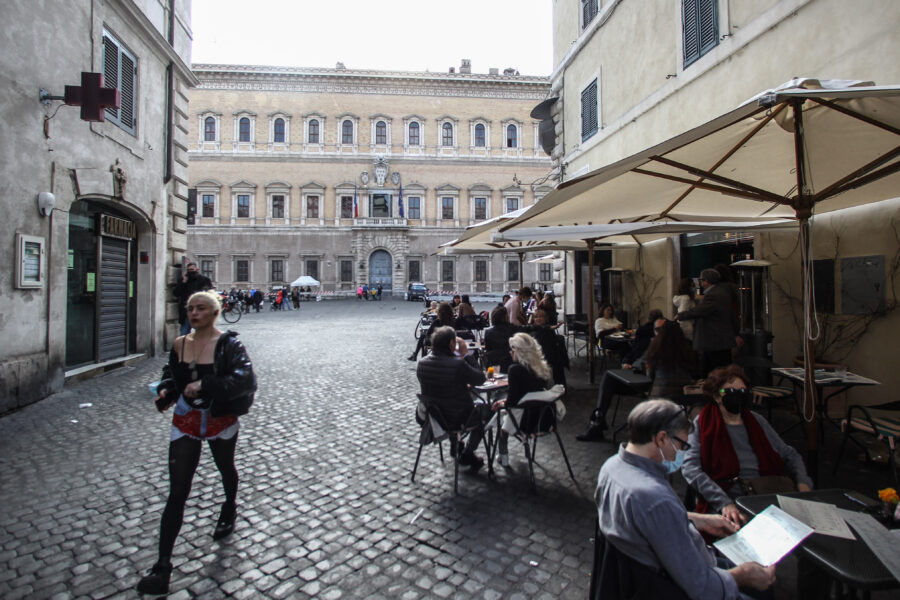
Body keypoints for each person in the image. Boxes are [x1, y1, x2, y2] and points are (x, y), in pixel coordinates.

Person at [137, 291, 257, 595]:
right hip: (187, 419)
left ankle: (229, 506)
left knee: (225, 468)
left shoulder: (229, 344)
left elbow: (246, 379)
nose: (193, 313)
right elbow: (171, 375)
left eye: (201, 308)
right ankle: (162, 567)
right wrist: (168, 390)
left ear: (214, 313)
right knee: (177, 491)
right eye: (190, 308)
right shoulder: (179, 344)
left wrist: (205, 383)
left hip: (219, 417)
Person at [595, 399, 776, 599]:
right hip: (668, 586)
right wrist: (742, 576)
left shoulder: (610, 468)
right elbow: (701, 586)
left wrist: (699, 520)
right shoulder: (655, 497)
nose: (681, 453)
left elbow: (644, 521)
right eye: (681, 444)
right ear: (662, 439)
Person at [682, 365, 813, 524]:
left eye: (743, 392)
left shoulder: (756, 421)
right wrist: (724, 502)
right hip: (729, 496)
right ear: (717, 396)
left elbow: (789, 454)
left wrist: (803, 482)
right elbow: (690, 468)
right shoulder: (704, 424)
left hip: (765, 491)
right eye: (729, 392)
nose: (737, 396)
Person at [577, 315, 667, 442]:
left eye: (662, 329)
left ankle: (597, 424)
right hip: (634, 377)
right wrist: (626, 362)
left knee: (609, 378)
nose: (659, 333)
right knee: (608, 378)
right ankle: (597, 423)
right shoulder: (648, 342)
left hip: (651, 385)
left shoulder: (671, 348)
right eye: (656, 329)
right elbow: (631, 355)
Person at [416, 326, 488, 471]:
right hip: (458, 418)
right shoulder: (458, 364)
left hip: (435, 416)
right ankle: (468, 452)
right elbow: (480, 378)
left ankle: (456, 443)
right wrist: (467, 355)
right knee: (487, 410)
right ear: (451, 344)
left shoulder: (422, 363)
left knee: (449, 404)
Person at [492, 332, 552, 467]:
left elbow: (512, 401)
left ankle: (503, 457)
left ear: (519, 351)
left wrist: (502, 403)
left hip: (524, 418)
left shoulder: (515, 370)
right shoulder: (542, 369)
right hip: (543, 417)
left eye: (512, 349)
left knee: (499, 420)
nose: (510, 353)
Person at [676, 268, 741, 377]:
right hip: (720, 341)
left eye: (701, 280)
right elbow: (732, 315)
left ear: (706, 281)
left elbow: (701, 311)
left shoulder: (713, 295)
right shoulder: (723, 293)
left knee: (713, 372)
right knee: (721, 370)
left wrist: (680, 316)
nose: (700, 283)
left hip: (714, 341)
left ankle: (712, 391)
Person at [644, 320, 696, 398]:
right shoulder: (687, 347)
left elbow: (650, 370)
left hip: (661, 389)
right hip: (684, 390)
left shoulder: (655, 347)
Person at [527, 308, 567, 388]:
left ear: (545, 318)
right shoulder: (532, 329)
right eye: (536, 317)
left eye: (541, 317)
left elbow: (550, 343)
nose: (538, 318)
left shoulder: (548, 329)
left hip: (549, 354)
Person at [173, 261, 213, 335]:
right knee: (184, 333)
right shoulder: (183, 280)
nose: (190, 272)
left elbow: (210, 294)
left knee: (202, 333)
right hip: (186, 312)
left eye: (192, 270)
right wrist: (183, 282)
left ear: (197, 270)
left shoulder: (204, 280)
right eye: (188, 270)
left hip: (201, 311)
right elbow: (176, 293)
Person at [483, 305, 521, 373]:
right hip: (511, 361)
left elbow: (488, 348)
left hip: (495, 364)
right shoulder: (514, 329)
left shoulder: (488, 332)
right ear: (506, 317)